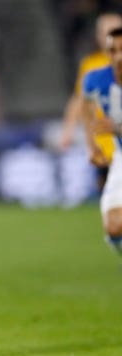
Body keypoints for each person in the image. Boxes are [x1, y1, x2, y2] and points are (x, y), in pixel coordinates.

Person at [60, 12, 122, 190]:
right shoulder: (91, 65)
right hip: (104, 142)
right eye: (106, 32)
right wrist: (69, 128)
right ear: (99, 37)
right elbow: (80, 99)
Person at [82, 26, 122, 260]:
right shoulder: (95, 79)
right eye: (112, 50)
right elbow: (86, 106)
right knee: (113, 226)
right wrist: (92, 143)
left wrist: (116, 128)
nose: (118, 56)